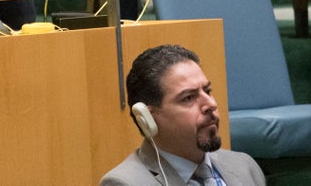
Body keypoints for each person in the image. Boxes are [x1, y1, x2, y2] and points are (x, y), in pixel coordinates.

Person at [100, 44, 265, 186]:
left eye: (207, 91)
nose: (211, 104)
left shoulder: (244, 167)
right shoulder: (126, 182)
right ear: (148, 117)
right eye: (189, 98)